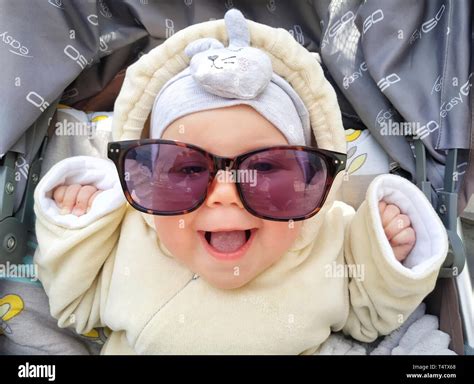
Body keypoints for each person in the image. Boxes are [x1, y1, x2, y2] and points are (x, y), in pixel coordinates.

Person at [33, 9, 448, 354]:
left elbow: (370, 311)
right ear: (149, 178)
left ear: (309, 182)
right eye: (189, 169)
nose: (225, 195)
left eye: (266, 169)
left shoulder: (322, 234)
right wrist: (77, 226)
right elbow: (74, 302)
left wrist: (385, 253)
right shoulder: (129, 237)